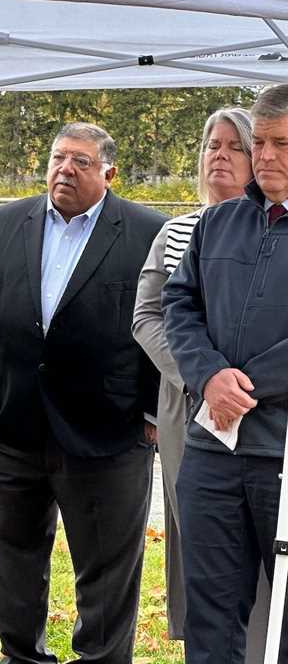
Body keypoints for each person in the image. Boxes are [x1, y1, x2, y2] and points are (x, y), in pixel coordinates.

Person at [0, 122, 165, 664]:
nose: (65, 170)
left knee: (106, 580)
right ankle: (21, 656)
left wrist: (153, 411)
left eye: (81, 161)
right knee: (13, 567)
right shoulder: (3, 223)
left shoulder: (150, 231)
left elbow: (163, 327)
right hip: (10, 430)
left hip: (108, 434)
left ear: (109, 172)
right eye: (58, 158)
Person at [133, 107, 272, 653]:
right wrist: (201, 377)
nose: (220, 155)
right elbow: (150, 315)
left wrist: (239, 386)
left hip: (264, 411)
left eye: (234, 146)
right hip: (188, 408)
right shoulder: (178, 231)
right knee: (203, 543)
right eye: (212, 145)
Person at [163, 83, 288, 664]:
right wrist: (209, 375)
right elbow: (179, 304)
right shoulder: (218, 223)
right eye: (258, 142)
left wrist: (246, 388)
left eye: (281, 143)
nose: (264, 157)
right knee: (209, 613)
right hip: (212, 450)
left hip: (282, 454)